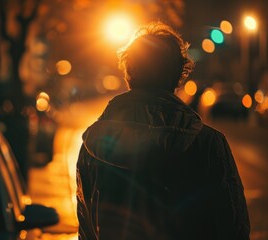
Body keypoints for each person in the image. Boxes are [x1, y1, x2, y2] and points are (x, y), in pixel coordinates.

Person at [76, 21, 250, 240]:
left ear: (129, 73)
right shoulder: (208, 144)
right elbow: (233, 228)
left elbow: (86, 229)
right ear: (179, 74)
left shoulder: (94, 147)